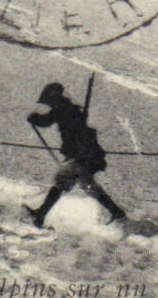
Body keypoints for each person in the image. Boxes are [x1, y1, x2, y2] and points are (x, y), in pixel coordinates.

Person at [24, 82, 125, 227]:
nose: (50, 104)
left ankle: (41, 214)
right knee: (87, 185)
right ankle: (116, 212)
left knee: (62, 180)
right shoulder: (71, 109)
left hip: (82, 155)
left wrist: (33, 118)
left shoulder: (62, 109)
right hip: (87, 155)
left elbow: (45, 121)